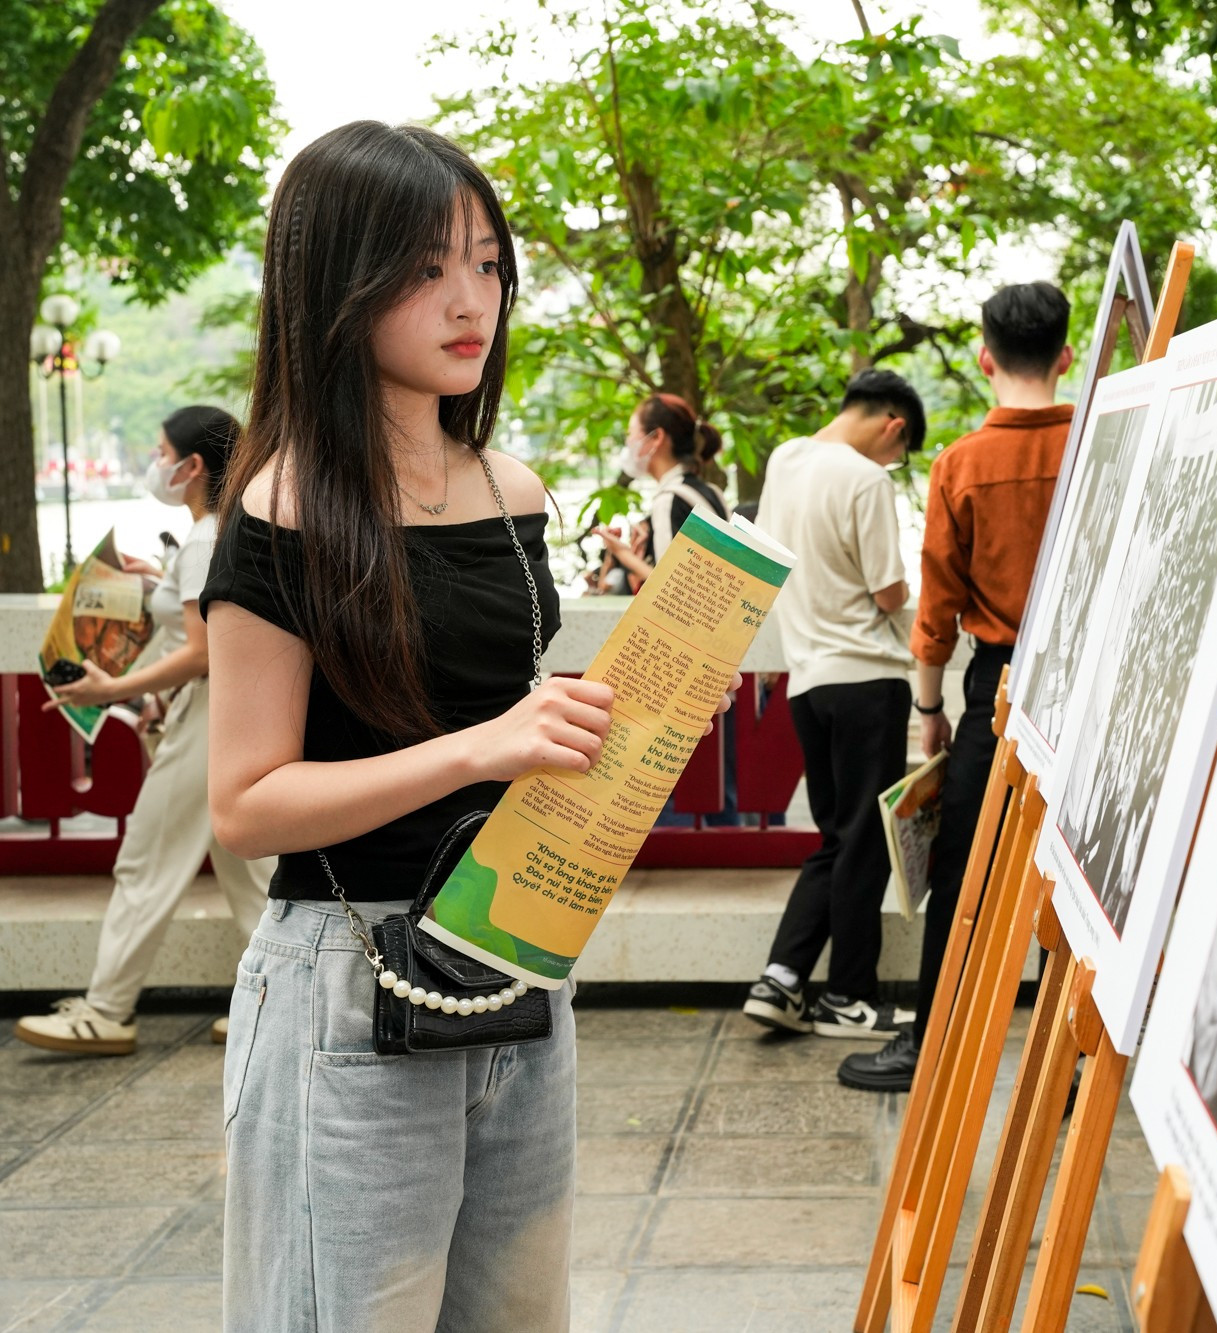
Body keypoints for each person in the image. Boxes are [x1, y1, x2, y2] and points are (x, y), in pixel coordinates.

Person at [199, 121, 732, 1330]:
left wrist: (613, 738)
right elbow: (245, 804)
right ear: (334, 279)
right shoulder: (280, 513)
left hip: (511, 956)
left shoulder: (509, 487)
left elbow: (503, 725)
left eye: (488, 264)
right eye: (427, 267)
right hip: (349, 978)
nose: (468, 300)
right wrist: (485, 746)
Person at [839, 282, 1074, 1092]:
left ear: (984, 359)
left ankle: (930, 1043)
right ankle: (1072, 1053)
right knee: (1081, 869)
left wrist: (931, 710)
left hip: (999, 690)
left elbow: (935, 608)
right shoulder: (1103, 443)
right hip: (1091, 681)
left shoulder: (961, 464)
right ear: (1067, 356)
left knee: (965, 868)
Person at [13, 407, 275, 1056]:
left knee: (148, 860)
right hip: (239, 714)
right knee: (250, 869)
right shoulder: (225, 531)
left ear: (191, 467)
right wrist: (154, 582)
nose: (154, 464)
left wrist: (109, 690)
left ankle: (105, 1011)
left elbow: (204, 649)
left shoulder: (204, 537)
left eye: (161, 452)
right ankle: (275, 1010)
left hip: (210, 716)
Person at [741, 368, 925, 1040]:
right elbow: (886, 592)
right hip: (867, 680)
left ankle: (782, 978)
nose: (891, 463)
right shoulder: (867, 479)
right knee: (864, 840)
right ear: (894, 426)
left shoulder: (787, 459)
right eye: (897, 454)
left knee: (836, 835)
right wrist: (904, 588)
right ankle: (848, 996)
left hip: (807, 683)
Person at [593, 390, 730, 586]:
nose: (629, 442)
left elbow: (668, 588)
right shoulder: (711, 491)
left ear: (656, 437)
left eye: (631, 433)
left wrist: (623, 554)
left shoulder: (669, 499)